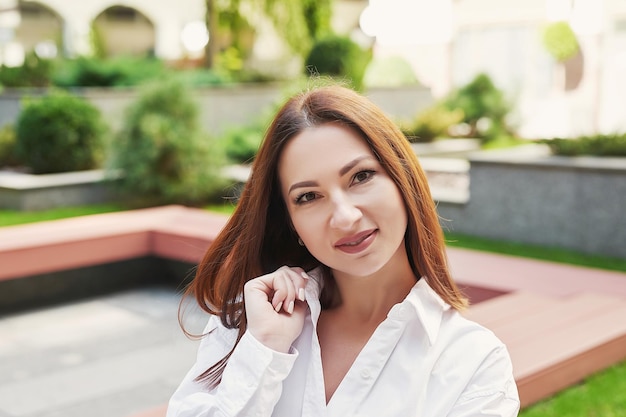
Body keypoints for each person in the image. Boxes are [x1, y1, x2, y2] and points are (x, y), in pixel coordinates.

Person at [167, 84, 520, 416]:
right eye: (308, 196)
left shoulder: (475, 363)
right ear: (291, 223)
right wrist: (265, 350)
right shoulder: (250, 321)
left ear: (402, 179)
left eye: (361, 177)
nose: (345, 217)